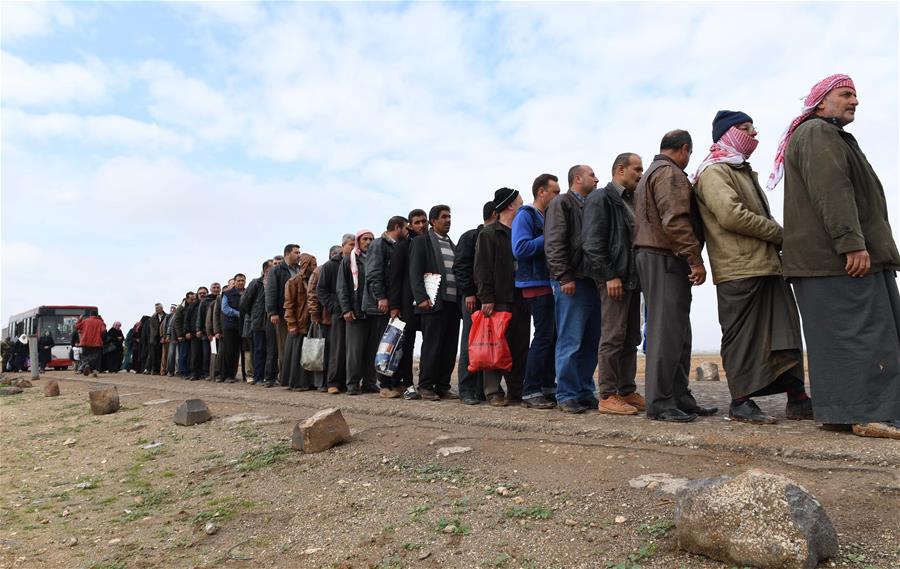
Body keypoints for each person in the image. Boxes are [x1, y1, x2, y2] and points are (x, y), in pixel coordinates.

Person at [774, 75, 900, 439]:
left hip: (830, 260)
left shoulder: (826, 135)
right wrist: (851, 243)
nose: (854, 101)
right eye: (845, 94)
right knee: (862, 334)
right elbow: (832, 190)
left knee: (841, 337)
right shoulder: (818, 133)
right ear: (821, 102)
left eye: (856, 95)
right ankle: (868, 413)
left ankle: (842, 411)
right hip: (837, 260)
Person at [693, 110, 813, 424]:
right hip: (738, 267)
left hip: (767, 265)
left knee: (784, 331)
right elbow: (731, 215)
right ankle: (740, 402)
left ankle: (798, 398)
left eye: (755, 129)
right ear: (729, 133)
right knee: (741, 337)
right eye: (747, 130)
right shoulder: (714, 171)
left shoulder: (742, 170)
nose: (754, 136)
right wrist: (779, 234)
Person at [634, 130, 717, 422]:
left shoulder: (654, 172)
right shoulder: (670, 173)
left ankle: (679, 396)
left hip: (661, 257)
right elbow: (675, 220)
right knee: (665, 332)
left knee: (679, 332)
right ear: (684, 149)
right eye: (689, 154)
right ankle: (660, 403)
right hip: (664, 257)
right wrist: (695, 260)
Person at [583, 153, 647, 416]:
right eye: (637, 169)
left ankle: (626, 389)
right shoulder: (601, 198)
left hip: (632, 280)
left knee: (631, 336)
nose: (641, 174)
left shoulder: (631, 200)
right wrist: (609, 275)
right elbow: (592, 241)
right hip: (614, 280)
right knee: (612, 337)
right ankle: (608, 395)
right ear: (620, 170)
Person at [544, 165, 602, 413]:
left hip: (591, 281)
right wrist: (564, 276)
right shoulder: (562, 203)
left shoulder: (591, 205)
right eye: (592, 175)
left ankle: (584, 391)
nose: (597, 179)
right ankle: (566, 393)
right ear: (577, 179)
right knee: (571, 339)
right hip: (571, 281)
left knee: (590, 341)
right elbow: (554, 241)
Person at [474, 188, 529, 406]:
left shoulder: (521, 232)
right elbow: (482, 268)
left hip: (522, 296)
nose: (523, 207)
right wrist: (486, 297)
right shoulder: (488, 234)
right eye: (520, 203)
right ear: (510, 206)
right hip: (498, 299)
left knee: (520, 345)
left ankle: (517, 389)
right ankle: (493, 390)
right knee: (495, 344)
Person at [513, 173, 561, 409]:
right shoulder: (526, 215)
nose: (558, 196)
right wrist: (548, 236)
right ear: (542, 192)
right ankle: (530, 390)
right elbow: (520, 248)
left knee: (551, 336)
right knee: (543, 337)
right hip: (535, 284)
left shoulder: (545, 216)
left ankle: (547, 387)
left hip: (548, 283)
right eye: (555, 192)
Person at [409, 205, 461, 401]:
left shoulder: (452, 245)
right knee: (433, 345)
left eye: (449, 216)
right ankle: (426, 386)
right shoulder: (422, 242)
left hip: (452, 304)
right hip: (432, 304)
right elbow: (414, 271)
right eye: (444, 217)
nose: (448, 220)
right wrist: (421, 297)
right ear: (433, 221)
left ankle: (443, 386)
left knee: (449, 347)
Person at [454, 202, 496, 405]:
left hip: (490, 299)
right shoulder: (471, 236)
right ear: (495, 213)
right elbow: (461, 266)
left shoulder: (497, 236)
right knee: (470, 343)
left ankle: (480, 390)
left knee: (486, 344)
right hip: (473, 299)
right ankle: (467, 390)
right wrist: (469, 293)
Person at [366, 216, 410, 397]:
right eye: (406, 228)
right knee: (385, 345)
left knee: (395, 343)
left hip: (393, 303)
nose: (408, 231)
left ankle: (395, 382)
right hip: (381, 305)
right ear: (398, 227)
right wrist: (381, 297)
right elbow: (374, 273)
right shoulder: (379, 244)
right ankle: (384, 385)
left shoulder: (396, 245)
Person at [388, 209, 429, 398]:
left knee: (429, 343)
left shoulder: (432, 243)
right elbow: (394, 278)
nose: (422, 225)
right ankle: (407, 384)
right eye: (417, 222)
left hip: (429, 302)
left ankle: (428, 383)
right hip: (407, 303)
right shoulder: (403, 246)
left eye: (424, 221)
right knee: (407, 343)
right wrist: (395, 306)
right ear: (410, 226)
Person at [338, 229, 380, 395]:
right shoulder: (349, 259)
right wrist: (346, 309)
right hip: (356, 312)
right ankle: (353, 384)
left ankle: (370, 383)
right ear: (358, 241)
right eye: (365, 239)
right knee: (354, 352)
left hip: (374, 311)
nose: (368, 242)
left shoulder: (376, 259)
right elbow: (341, 287)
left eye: (371, 239)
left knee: (372, 350)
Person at [318, 235, 355, 393]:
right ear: (343, 245)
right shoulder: (329, 266)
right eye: (351, 244)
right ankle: (333, 383)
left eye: (355, 244)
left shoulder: (357, 262)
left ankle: (349, 382)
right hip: (339, 313)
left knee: (352, 350)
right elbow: (321, 290)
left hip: (355, 313)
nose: (353, 247)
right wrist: (334, 306)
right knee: (337, 349)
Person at [266, 244, 302, 384]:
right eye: (296, 252)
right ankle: (286, 377)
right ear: (287, 254)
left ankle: (297, 376)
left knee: (297, 345)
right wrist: (273, 312)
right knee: (284, 346)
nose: (299, 255)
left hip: (299, 314)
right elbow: (271, 291)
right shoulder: (277, 270)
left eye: (299, 252)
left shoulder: (299, 270)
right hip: (282, 314)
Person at [283, 255, 318, 390]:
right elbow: (289, 305)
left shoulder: (314, 280)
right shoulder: (293, 282)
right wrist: (291, 324)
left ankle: (309, 382)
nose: (315, 267)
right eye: (313, 265)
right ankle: (297, 382)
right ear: (306, 266)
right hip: (298, 323)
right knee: (297, 353)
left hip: (310, 322)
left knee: (310, 352)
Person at [308, 248, 338, 391]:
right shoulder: (320, 270)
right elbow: (312, 294)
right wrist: (315, 314)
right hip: (323, 317)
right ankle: (321, 383)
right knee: (321, 351)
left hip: (335, 318)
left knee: (333, 351)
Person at [241, 261, 273, 385]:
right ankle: (258, 377)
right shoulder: (256, 283)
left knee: (270, 351)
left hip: (271, 322)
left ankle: (269, 376)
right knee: (259, 350)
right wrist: (254, 313)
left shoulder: (274, 283)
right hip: (258, 322)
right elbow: (244, 302)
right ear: (266, 270)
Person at [220, 273, 246, 382]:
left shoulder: (247, 292)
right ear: (234, 282)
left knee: (245, 351)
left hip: (244, 326)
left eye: (243, 280)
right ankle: (228, 375)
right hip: (230, 327)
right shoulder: (227, 294)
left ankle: (246, 375)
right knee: (230, 352)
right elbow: (225, 308)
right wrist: (238, 313)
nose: (241, 282)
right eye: (239, 280)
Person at [187, 286, 207, 380]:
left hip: (207, 333)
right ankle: (194, 373)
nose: (202, 294)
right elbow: (187, 319)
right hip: (195, 333)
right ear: (197, 295)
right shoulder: (193, 305)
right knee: (195, 354)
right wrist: (186, 331)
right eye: (200, 293)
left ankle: (204, 373)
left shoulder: (209, 303)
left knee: (206, 354)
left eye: (204, 293)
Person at [173, 292, 196, 378]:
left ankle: (188, 371)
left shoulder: (193, 306)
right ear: (186, 299)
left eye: (194, 299)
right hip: (182, 335)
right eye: (191, 299)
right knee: (183, 353)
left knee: (190, 353)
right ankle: (182, 372)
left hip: (191, 334)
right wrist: (179, 335)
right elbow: (176, 322)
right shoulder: (181, 308)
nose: (193, 301)